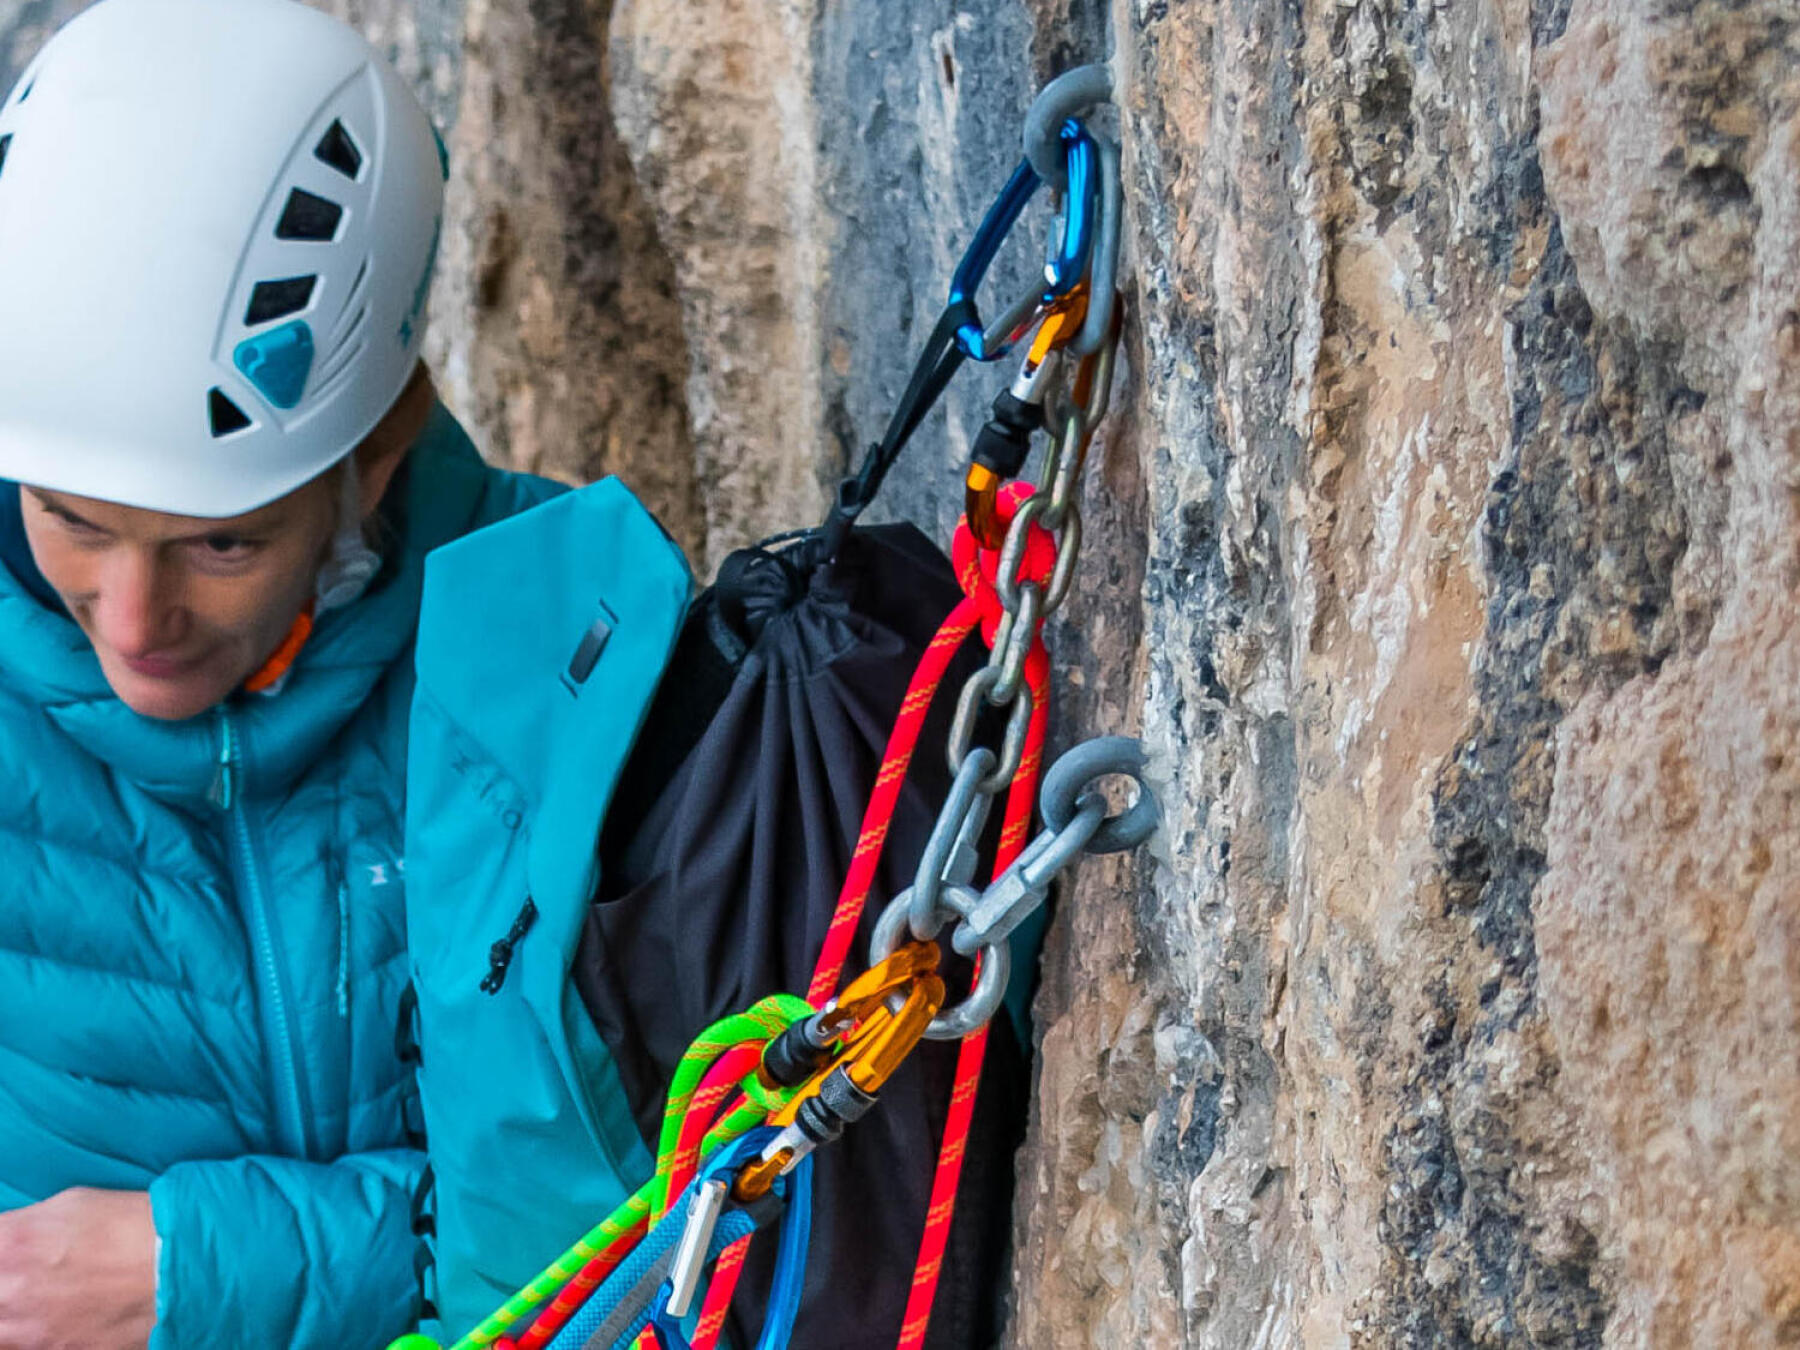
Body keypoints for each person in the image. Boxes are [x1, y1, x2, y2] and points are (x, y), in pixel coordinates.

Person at [0, 0, 569, 1344]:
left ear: (377, 454)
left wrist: (197, 1266)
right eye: (72, 519)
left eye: (222, 540)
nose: (135, 619)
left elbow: (682, 1189)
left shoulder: (557, 643)